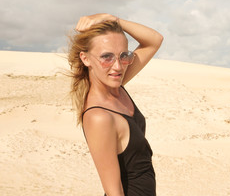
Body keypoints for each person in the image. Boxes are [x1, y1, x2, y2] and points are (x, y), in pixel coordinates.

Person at [68, 13, 163, 196]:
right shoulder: (99, 117)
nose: (118, 66)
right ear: (86, 58)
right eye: (106, 57)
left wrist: (113, 19)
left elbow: (154, 40)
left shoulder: (116, 85)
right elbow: (114, 192)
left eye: (124, 56)